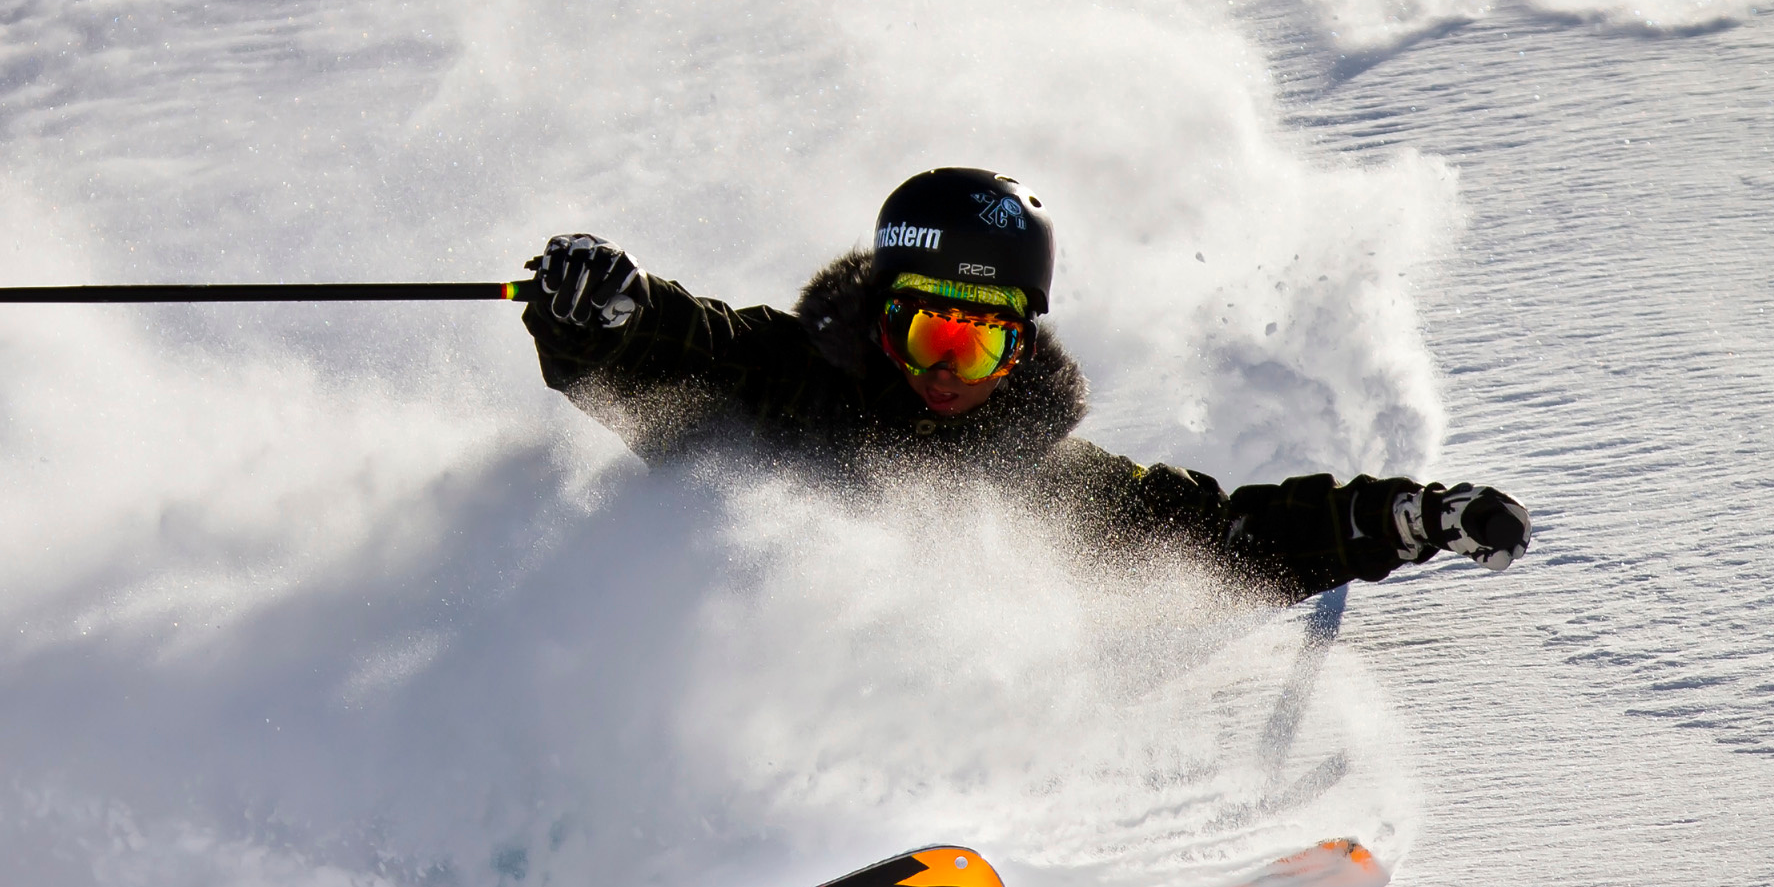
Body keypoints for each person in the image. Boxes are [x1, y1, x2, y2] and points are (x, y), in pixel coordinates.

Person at [521, 166, 1530, 604]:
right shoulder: (784, 379)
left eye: (977, 349)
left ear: (1021, 351)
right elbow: (677, 350)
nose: (943, 375)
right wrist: (602, 310)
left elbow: (1222, 541)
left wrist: (1399, 517)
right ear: (883, 315)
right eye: (927, 336)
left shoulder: (1032, 481)